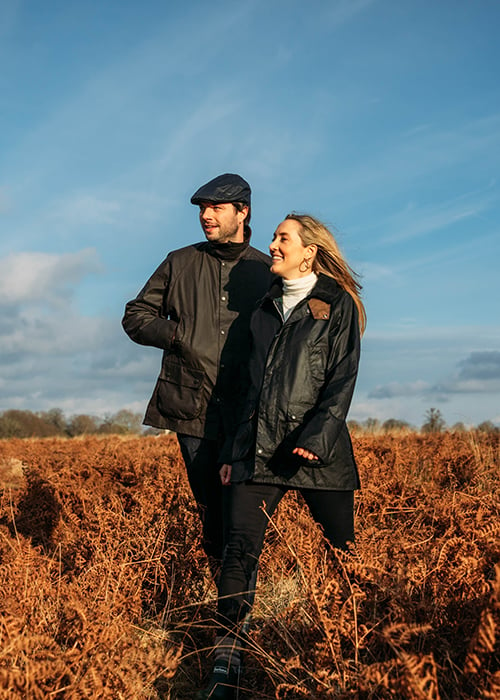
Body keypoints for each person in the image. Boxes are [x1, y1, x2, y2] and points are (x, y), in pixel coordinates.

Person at [197, 213, 366, 699]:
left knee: (343, 553)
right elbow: (248, 386)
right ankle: (225, 665)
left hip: (319, 452)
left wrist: (316, 437)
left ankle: (353, 648)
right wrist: (233, 450)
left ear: (309, 251)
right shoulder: (263, 307)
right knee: (239, 552)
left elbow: (341, 381)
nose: (271, 244)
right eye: (273, 237)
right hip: (257, 450)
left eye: (282, 238)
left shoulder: (338, 305)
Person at [122, 173, 273, 576]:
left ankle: (239, 602)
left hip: (248, 411)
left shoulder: (267, 270)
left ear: (243, 212)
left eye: (216, 208)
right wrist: (178, 335)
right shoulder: (179, 261)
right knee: (209, 505)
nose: (206, 216)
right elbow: (135, 316)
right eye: (202, 209)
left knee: (242, 510)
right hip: (192, 407)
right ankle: (217, 591)